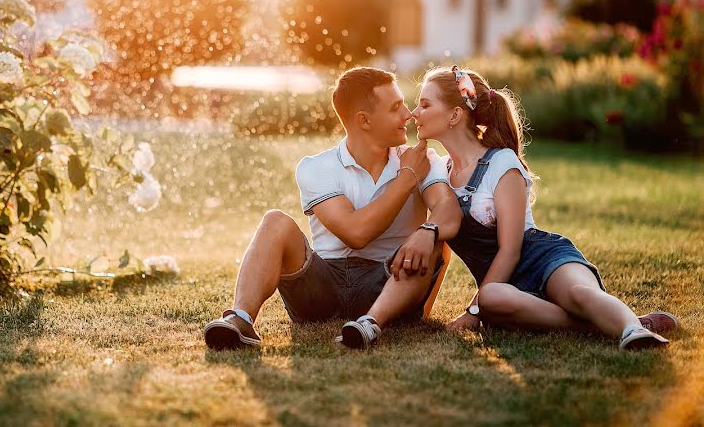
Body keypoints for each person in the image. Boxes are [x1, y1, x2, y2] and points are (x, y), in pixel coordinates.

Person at [410, 65, 680, 350]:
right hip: (503, 289)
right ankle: (606, 323)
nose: (414, 113)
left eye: (425, 104)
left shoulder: (502, 163)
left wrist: (472, 313)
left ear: (455, 115)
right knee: (490, 297)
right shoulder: (441, 173)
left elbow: (511, 250)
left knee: (579, 293)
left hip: (544, 260)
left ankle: (632, 331)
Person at [203, 67, 462, 350]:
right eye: (395, 108)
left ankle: (371, 325)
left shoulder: (422, 158)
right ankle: (240, 320)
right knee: (275, 220)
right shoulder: (317, 167)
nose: (408, 115)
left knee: (435, 239)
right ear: (363, 120)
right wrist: (407, 179)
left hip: (389, 283)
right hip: (321, 288)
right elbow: (356, 233)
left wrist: (427, 230)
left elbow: (448, 210)